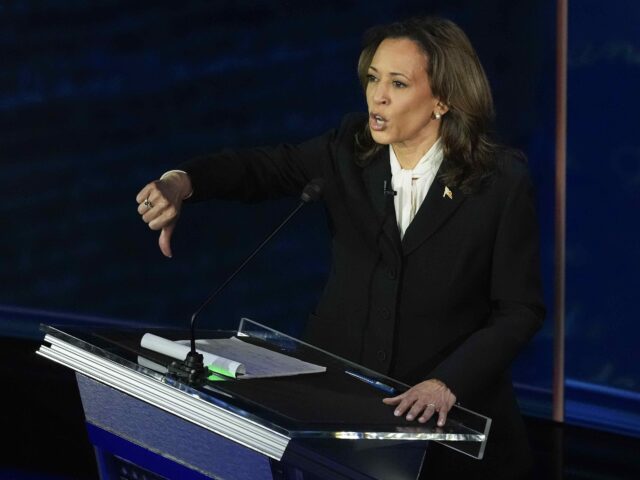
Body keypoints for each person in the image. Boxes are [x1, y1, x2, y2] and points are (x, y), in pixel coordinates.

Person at [136, 17, 544, 478]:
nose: (378, 96)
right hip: (338, 416)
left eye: (398, 83)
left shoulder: (499, 182)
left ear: (443, 100)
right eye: (373, 78)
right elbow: (262, 168)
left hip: (444, 431)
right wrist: (180, 182)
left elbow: (519, 310)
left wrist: (447, 383)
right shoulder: (349, 150)